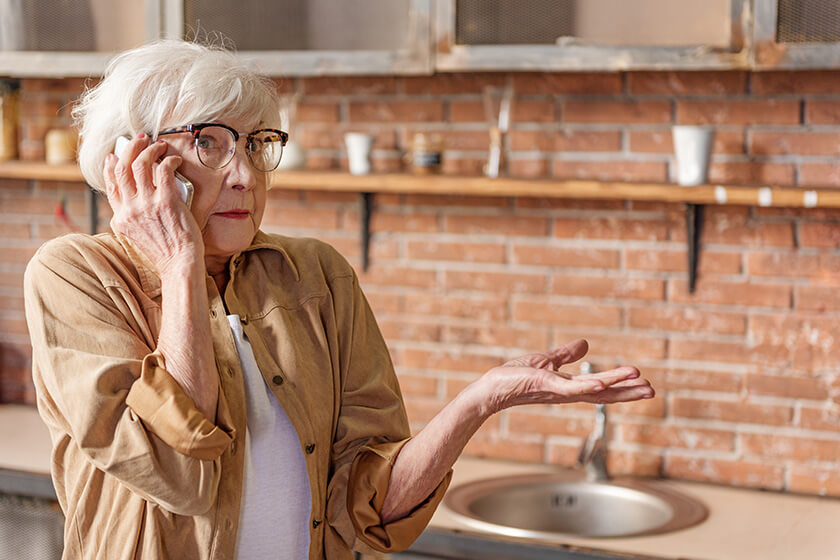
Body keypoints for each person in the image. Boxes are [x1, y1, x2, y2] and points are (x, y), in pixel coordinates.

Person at [23, 40, 654, 560]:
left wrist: (478, 401)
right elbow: (177, 474)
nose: (244, 173)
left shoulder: (316, 275)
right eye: (211, 142)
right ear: (135, 159)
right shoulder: (74, 276)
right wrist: (180, 260)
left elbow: (367, 507)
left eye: (254, 144)